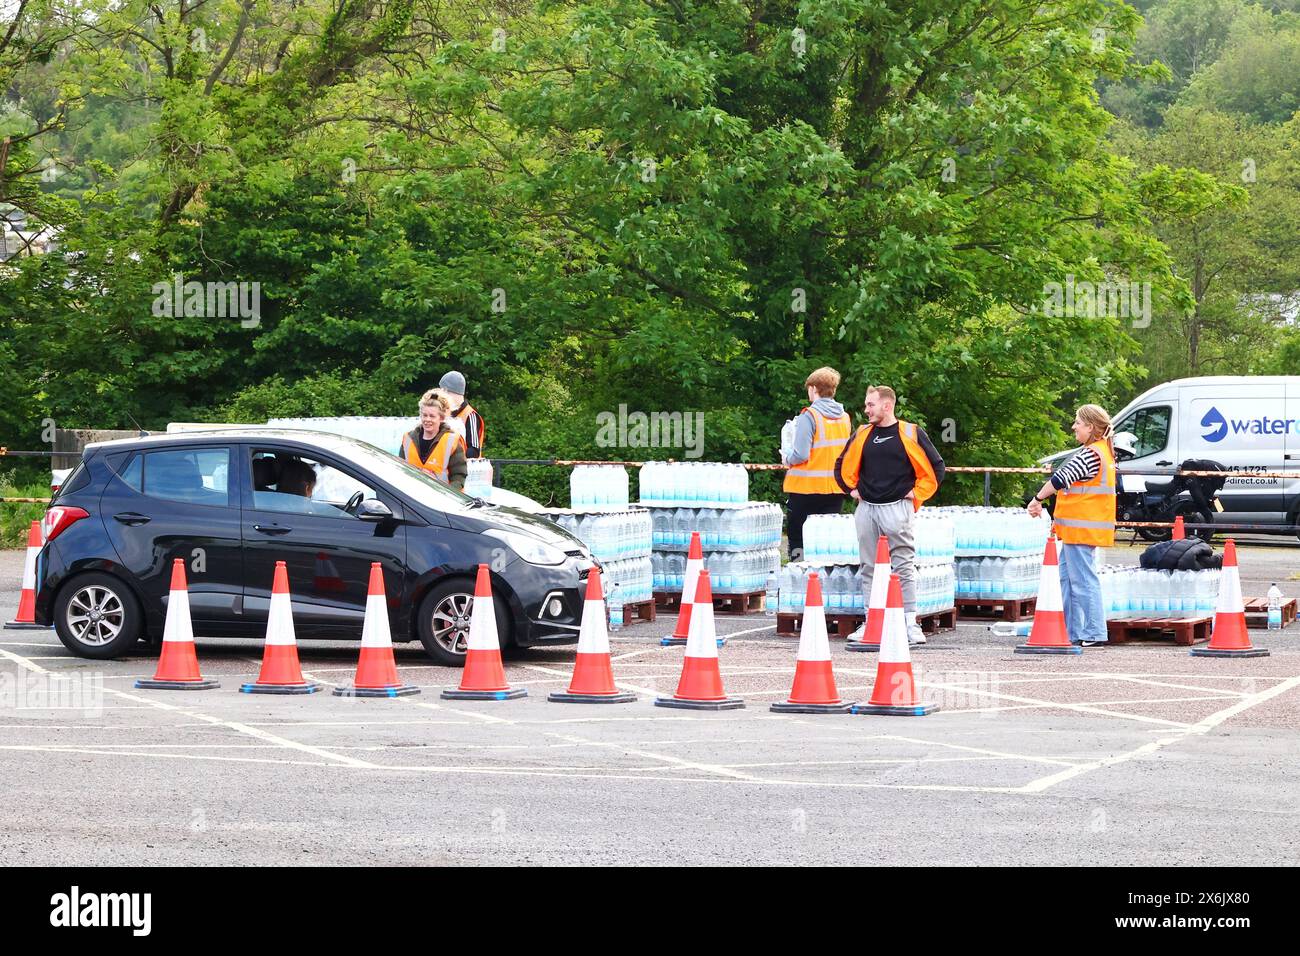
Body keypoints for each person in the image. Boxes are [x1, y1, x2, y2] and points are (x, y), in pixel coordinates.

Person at [835, 385, 945, 645]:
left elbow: (937, 466)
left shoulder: (911, 432)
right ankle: (872, 621)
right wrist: (851, 490)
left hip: (898, 507)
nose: (866, 410)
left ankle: (909, 623)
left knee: (903, 566)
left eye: (870, 405)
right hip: (867, 509)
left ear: (887, 405)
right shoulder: (862, 433)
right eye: (866, 405)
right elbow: (841, 464)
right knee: (869, 567)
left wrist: (917, 494)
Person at [1026, 404, 1116, 646]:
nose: (1074, 426)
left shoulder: (1090, 454)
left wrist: (1037, 500)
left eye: (1078, 422)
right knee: (1066, 580)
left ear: (1091, 426)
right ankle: (1070, 630)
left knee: (1083, 580)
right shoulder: (1102, 452)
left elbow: (1059, 479)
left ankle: (1094, 631)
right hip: (1081, 529)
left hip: (1081, 529)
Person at [782, 367, 851, 561]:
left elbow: (801, 454)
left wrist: (787, 458)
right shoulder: (844, 418)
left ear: (813, 389)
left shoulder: (809, 416)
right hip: (835, 489)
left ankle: (800, 585)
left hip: (805, 490)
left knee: (799, 541)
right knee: (826, 542)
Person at [400, 390, 468, 490]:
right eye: (424, 415)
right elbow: (400, 470)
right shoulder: (408, 439)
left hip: (441, 499)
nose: (427, 419)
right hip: (411, 499)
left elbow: (459, 475)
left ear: (441, 418)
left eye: (432, 416)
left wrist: (450, 494)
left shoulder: (451, 440)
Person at [437, 370, 486, 459]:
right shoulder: (446, 414)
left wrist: (451, 458)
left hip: (465, 470)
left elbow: (474, 450)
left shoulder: (470, 415)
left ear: (447, 391)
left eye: (442, 393)